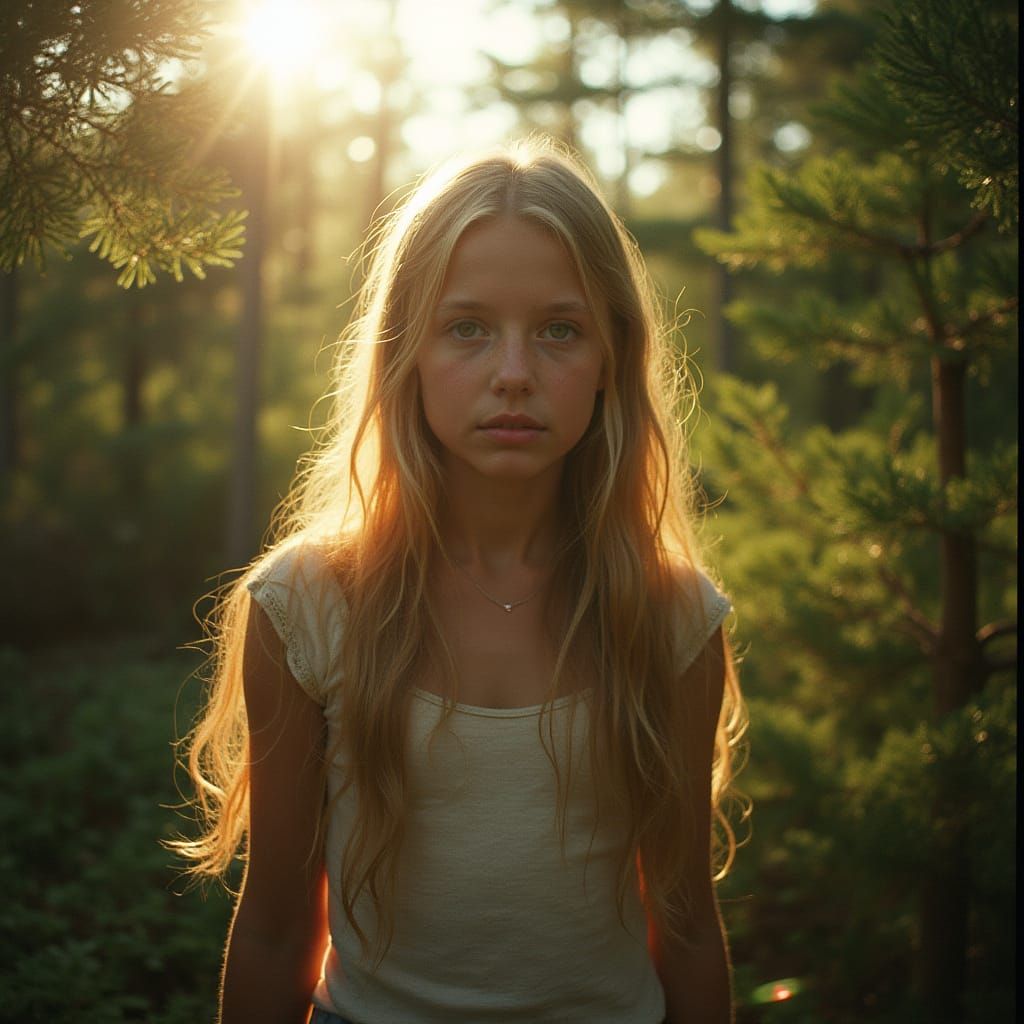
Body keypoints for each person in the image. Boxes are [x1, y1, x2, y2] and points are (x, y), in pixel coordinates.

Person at [171, 137, 747, 1024]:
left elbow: (691, 930)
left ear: (610, 360)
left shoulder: (669, 614)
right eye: (467, 327)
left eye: (559, 329)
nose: (513, 374)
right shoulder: (310, 605)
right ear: (406, 351)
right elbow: (277, 933)